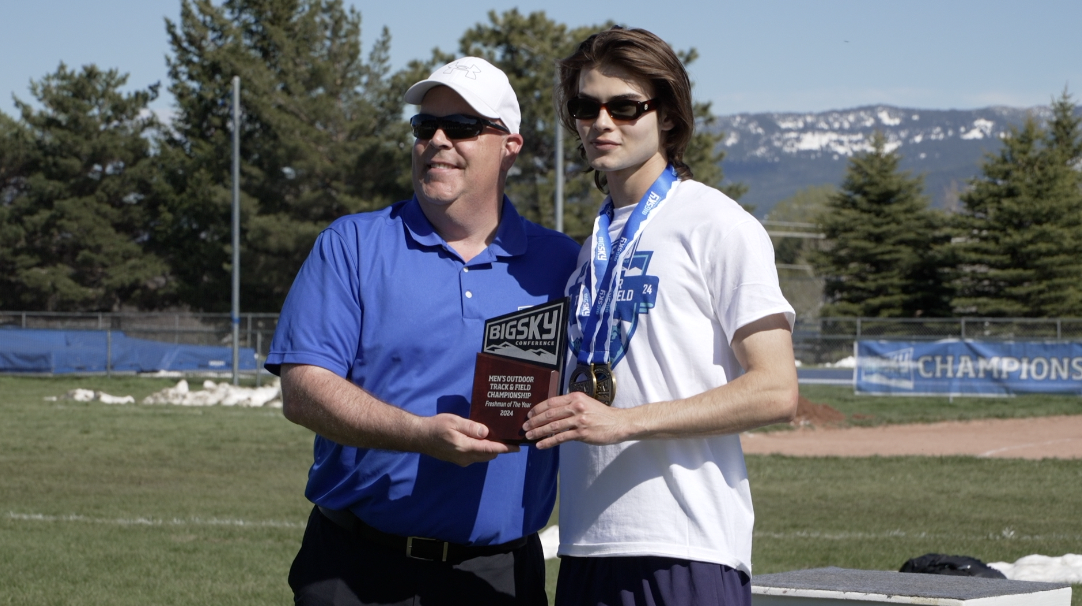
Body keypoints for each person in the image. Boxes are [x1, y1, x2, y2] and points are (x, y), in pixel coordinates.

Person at [265, 56, 581, 606]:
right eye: (424, 126)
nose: (437, 139)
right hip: (356, 570)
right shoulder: (352, 245)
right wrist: (419, 434)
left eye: (460, 127)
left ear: (510, 147)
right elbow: (303, 389)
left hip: (498, 576)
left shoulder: (563, 262)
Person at [522, 27, 800, 605]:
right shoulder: (590, 247)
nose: (602, 122)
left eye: (625, 107)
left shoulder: (718, 224)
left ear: (668, 117)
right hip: (586, 546)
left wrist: (623, 421)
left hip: (686, 550)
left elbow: (776, 391)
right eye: (585, 106)